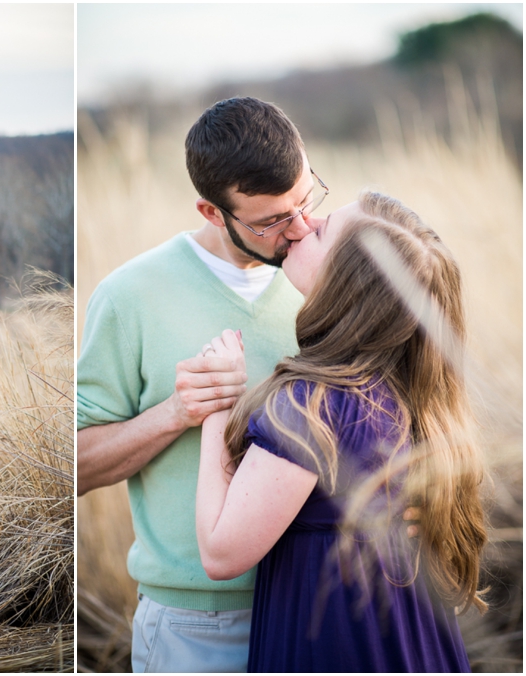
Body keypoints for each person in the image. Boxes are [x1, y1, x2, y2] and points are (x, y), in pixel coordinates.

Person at [77, 97, 324, 672]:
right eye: (271, 221)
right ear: (212, 213)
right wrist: (174, 413)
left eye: (306, 200)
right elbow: (79, 466)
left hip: (317, 606)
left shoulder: (324, 282)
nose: (301, 228)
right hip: (198, 625)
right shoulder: (128, 295)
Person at [195, 192, 487, 672]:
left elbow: (221, 552)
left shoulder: (314, 405)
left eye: (324, 228)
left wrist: (216, 410)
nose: (305, 221)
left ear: (344, 282)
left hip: (340, 645)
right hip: (415, 648)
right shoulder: (408, 387)